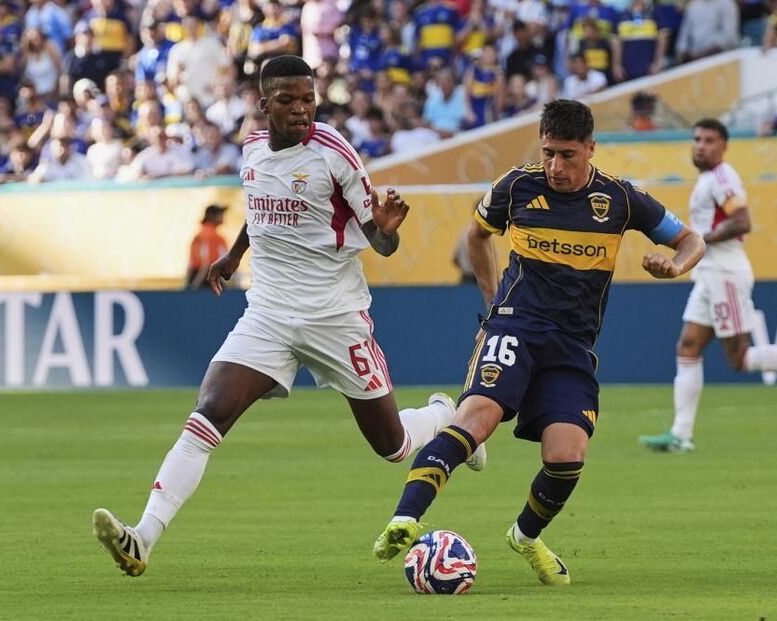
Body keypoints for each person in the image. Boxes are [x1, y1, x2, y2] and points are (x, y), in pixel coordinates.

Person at [92, 56, 484, 577]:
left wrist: (388, 230)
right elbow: (259, 209)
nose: (301, 109)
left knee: (392, 447)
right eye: (288, 100)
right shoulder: (252, 149)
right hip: (268, 314)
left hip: (334, 317)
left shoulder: (334, 153)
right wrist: (234, 256)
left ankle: (445, 415)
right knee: (208, 413)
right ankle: (142, 537)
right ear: (264, 105)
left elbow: (380, 241)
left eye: (308, 99)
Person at [372, 99, 706, 585]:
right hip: (516, 328)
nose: (555, 166)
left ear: (591, 149)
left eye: (567, 155)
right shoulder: (516, 186)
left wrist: (675, 266)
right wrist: (494, 307)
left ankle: (525, 536)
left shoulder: (620, 199)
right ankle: (405, 517)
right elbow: (476, 237)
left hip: (571, 345)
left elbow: (692, 240)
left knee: (568, 456)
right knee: (477, 420)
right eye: (548, 153)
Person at [639, 119, 777, 454]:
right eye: (697, 139)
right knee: (688, 347)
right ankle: (681, 434)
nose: (700, 145)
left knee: (740, 358)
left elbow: (742, 221)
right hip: (709, 274)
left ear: (724, 146)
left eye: (709, 140)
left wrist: (699, 242)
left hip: (725, 273)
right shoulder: (707, 180)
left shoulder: (723, 177)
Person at [186, 204, 230, 289]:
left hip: (197, 276)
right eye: (220, 213)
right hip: (206, 280)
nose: (222, 216)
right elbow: (207, 264)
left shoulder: (198, 235)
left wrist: (189, 285)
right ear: (211, 216)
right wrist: (194, 287)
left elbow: (191, 264)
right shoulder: (213, 236)